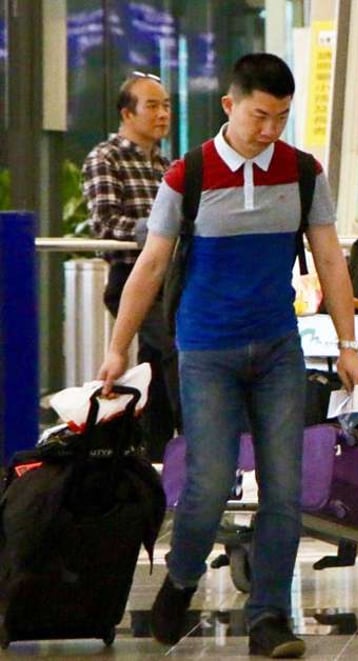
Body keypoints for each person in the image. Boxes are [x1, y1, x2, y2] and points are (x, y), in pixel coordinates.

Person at [97, 53, 358, 658]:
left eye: (281, 117)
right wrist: (118, 348)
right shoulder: (188, 174)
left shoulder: (303, 173)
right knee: (210, 482)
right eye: (259, 116)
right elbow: (151, 265)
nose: (269, 130)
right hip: (205, 351)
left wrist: (348, 345)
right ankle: (182, 578)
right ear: (230, 105)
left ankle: (268, 615)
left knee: (285, 487)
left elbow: (330, 259)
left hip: (278, 349)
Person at [82, 71, 180, 458]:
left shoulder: (167, 165)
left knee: (153, 370)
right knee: (177, 347)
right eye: (152, 106)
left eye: (166, 106)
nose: (163, 114)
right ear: (127, 113)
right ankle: (197, 439)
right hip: (130, 279)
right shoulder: (105, 158)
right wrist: (156, 233)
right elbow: (105, 224)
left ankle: (154, 459)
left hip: (169, 279)